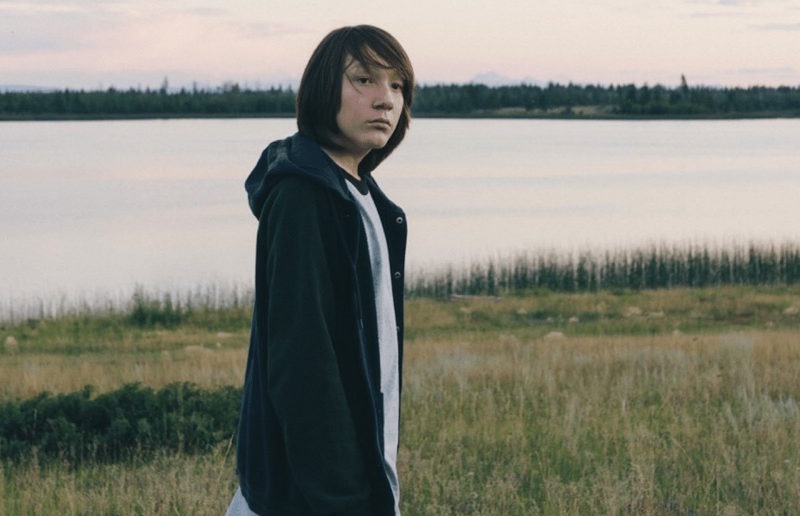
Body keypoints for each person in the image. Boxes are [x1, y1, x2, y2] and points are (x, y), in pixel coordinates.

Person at [226, 25, 414, 516]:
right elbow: (303, 360)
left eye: (397, 86)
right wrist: (344, 501)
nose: (385, 101)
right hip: (308, 502)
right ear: (322, 89)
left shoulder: (362, 199)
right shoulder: (303, 197)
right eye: (364, 80)